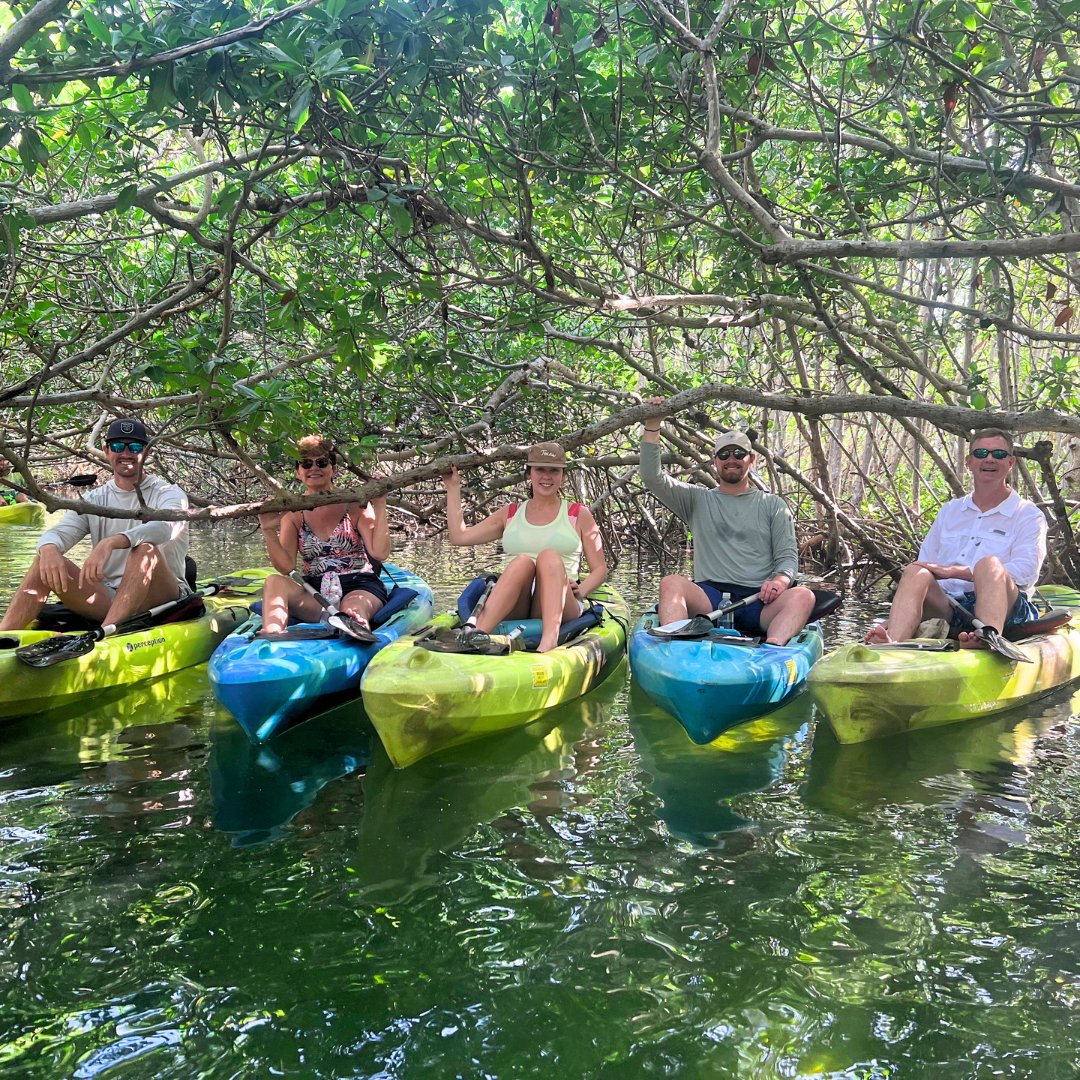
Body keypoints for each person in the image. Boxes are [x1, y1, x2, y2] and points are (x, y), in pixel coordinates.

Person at [639, 410, 816, 646]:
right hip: (708, 598)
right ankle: (677, 650)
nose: (731, 459)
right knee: (671, 583)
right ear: (715, 461)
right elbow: (652, 478)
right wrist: (653, 424)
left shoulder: (773, 505)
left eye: (739, 453)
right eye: (724, 454)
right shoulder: (696, 500)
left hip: (759, 601)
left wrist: (780, 582)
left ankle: (773, 650)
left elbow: (787, 558)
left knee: (804, 596)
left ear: (751, 460)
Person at [0, 418, 190, 630]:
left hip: (163, 598)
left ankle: (104, 637)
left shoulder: (169, 493)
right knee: (44, 558)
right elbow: (60, 533)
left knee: (144, 549)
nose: (126, 453)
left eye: (135, 447)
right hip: (110, 598)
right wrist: (49, 548)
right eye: (118, 446)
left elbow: (167, 526)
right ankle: (3, 637)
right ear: (106, 450)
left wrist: (112, 542)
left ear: (147, 453)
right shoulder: (94, 499)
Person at [865, 428, 1046, 648]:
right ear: (969, 462)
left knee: (989, 565)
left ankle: (987, 638)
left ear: (1011, 463)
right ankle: (892, 642)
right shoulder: (950, 511)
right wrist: (896, 616)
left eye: (998, 454)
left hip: (1005, 607)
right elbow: (926, 563)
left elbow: (1026, 572)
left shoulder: (1027, 514)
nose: (989, 459)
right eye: (981, 453)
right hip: (949, 606)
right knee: (915, 571)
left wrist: (958, 572)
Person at [441, 442, 607, 653]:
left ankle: (548, 642)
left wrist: (581, 591)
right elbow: (459, 536)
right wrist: (453, 488)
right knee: (522, 562)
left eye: (554, 471)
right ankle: (474, 635)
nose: (546, 477)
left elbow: (600, 570)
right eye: (540, 470)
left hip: (563, 601)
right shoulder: (510, 513)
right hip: (517, 601)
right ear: (529, 473)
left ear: (563, 476)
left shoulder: (578, 514)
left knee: (548, 557)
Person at [258, 436, 389, 638]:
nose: (314, 468)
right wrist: (268, 530)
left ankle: (355, 626)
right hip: (315, 592)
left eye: (321, 462)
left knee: (351, 610)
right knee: (274, 581)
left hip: (359, 585)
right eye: (306, 463)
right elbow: (286, 567)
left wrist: (380, 504)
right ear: (299, 472)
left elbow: (379, 552)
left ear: (333, 469)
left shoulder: (354, 503)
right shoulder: (293, 513)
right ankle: (273, 635)